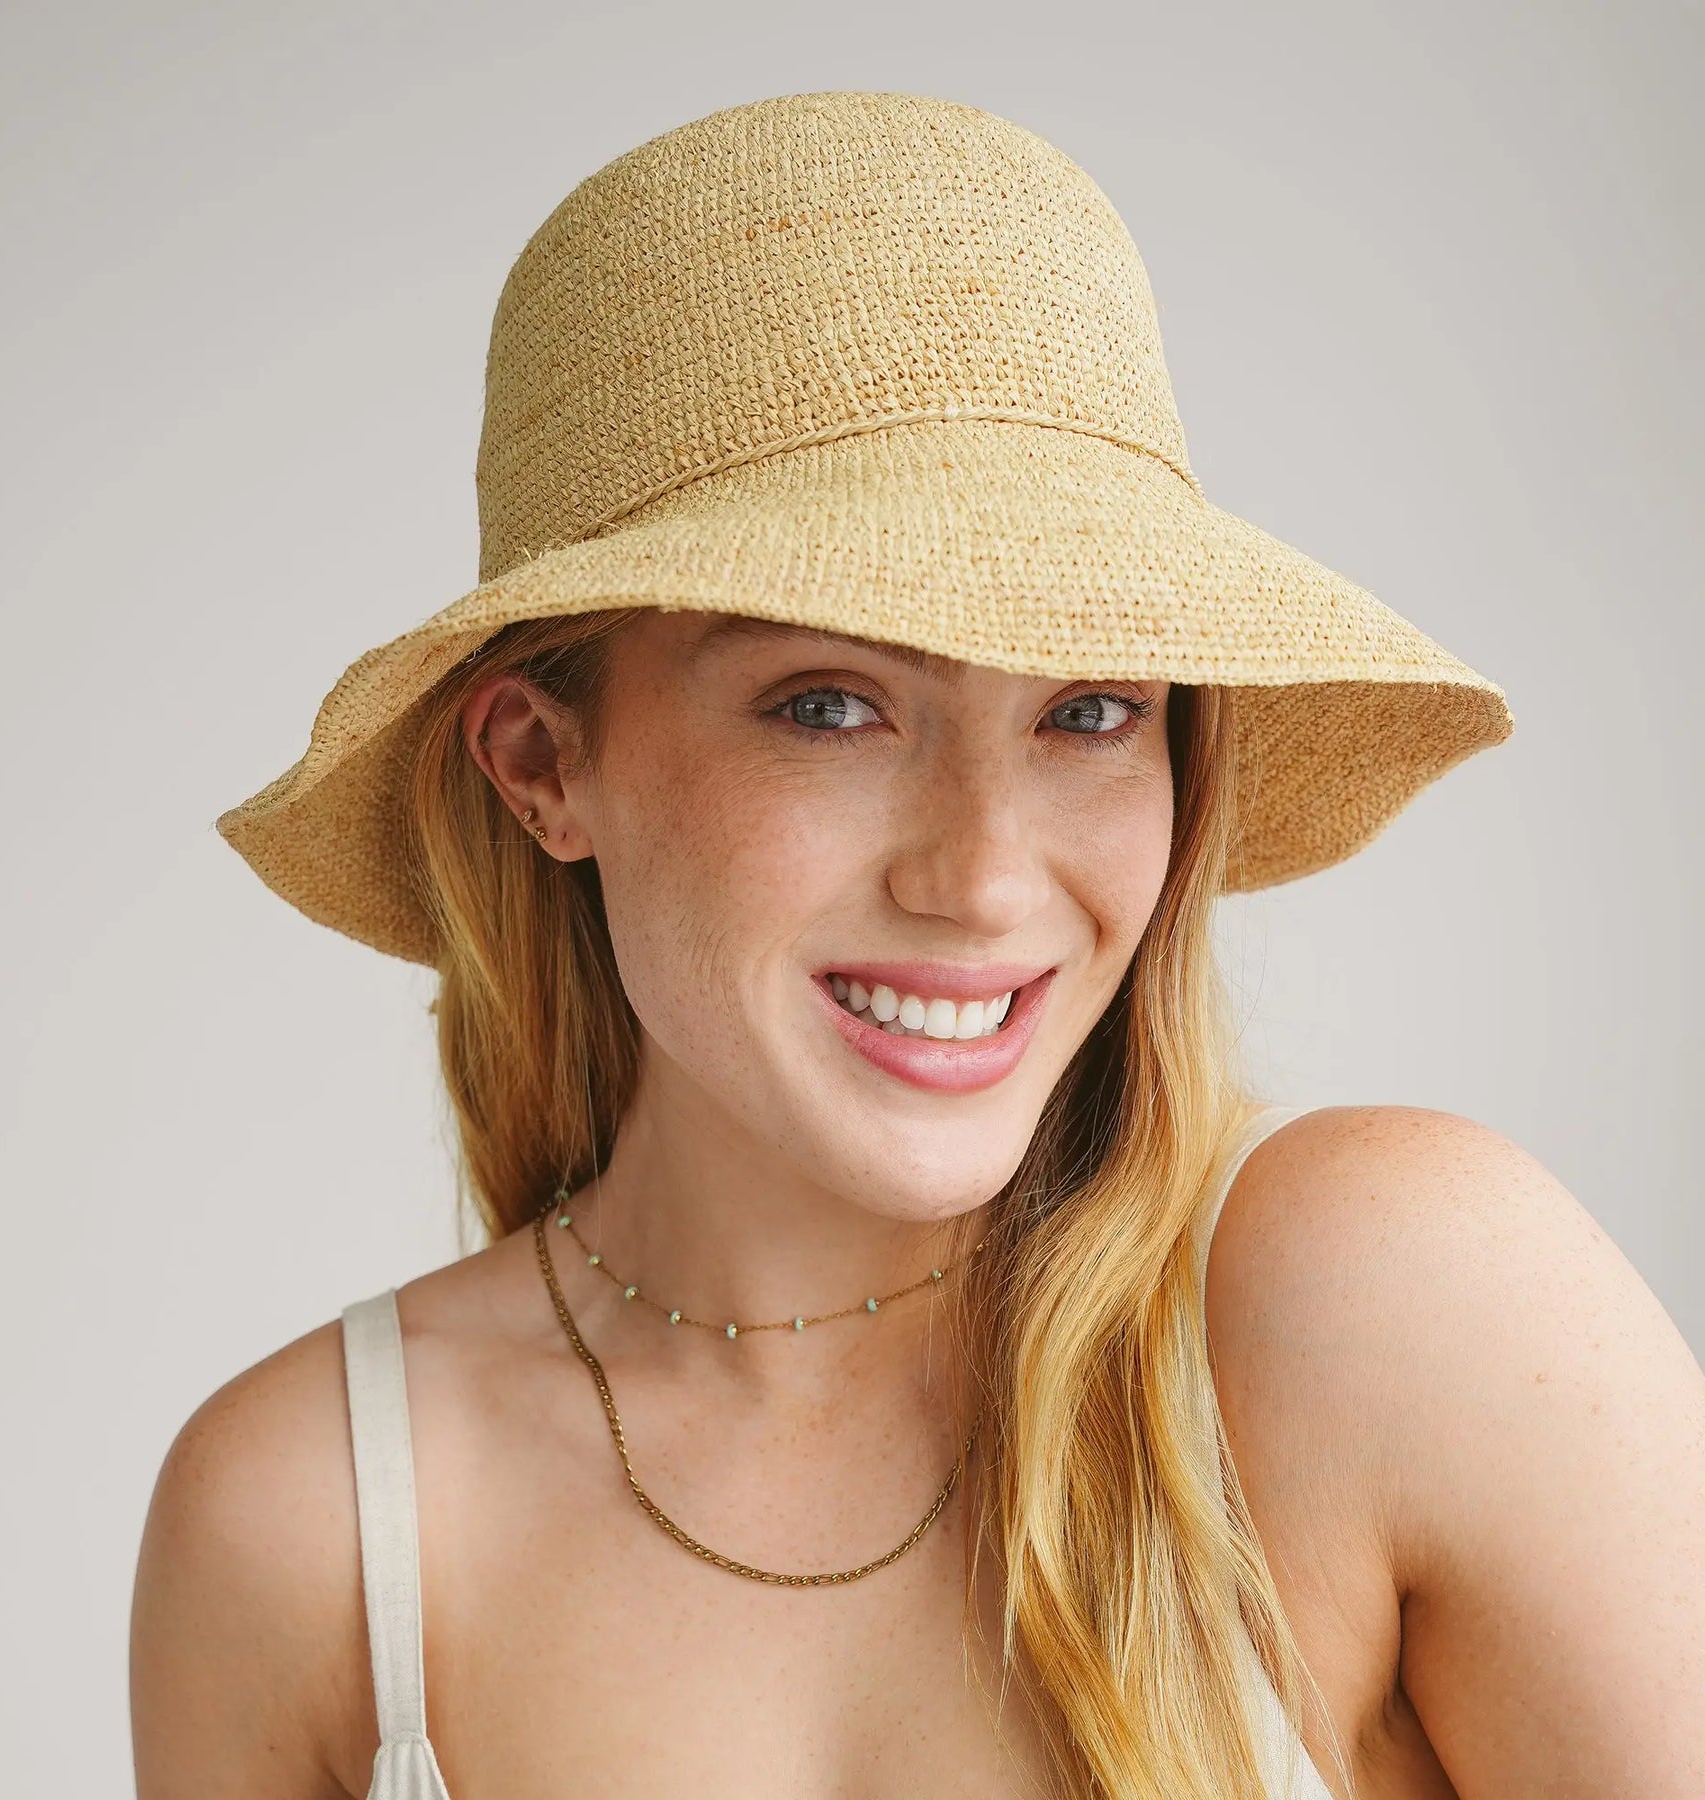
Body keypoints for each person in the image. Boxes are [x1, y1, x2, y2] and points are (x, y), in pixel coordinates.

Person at [128, 91, 1705, 1799]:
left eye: (1089, 710)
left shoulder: (1381, 1302)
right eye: (831, 704)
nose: (984, 878)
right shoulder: (309, 1530)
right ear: (542, 763)